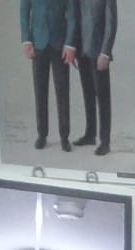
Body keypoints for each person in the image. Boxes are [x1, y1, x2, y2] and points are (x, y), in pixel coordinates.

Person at [20, 0, 80, 154]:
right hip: (38, 43)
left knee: (63, 91)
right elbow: (24, 11)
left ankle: (64, 137)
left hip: (60, 44)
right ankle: (42, 134)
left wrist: (70, 44)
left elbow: (73, 15)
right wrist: (26, 40)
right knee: (40, 92)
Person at [73, 0, 116, 158]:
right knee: (88, 94)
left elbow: (111, 23)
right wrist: (74, 48)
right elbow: (75, 19)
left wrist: (105, 52)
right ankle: (90, 134)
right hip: (82, 51)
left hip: (98, 52)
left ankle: (105, 142)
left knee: (103, 98)